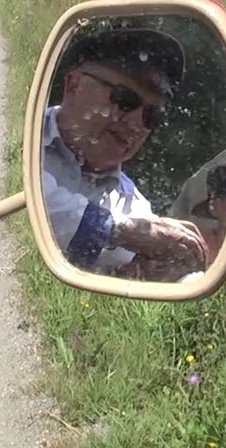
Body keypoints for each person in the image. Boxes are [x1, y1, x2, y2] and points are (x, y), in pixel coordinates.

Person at [40, 28, 209, 277]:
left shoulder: (136, 207)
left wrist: (144, 272)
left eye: (151, 116)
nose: (136, 123)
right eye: (125, 99)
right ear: (73, 85)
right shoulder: (22, 132)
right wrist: (121, 232)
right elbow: (33, 200)